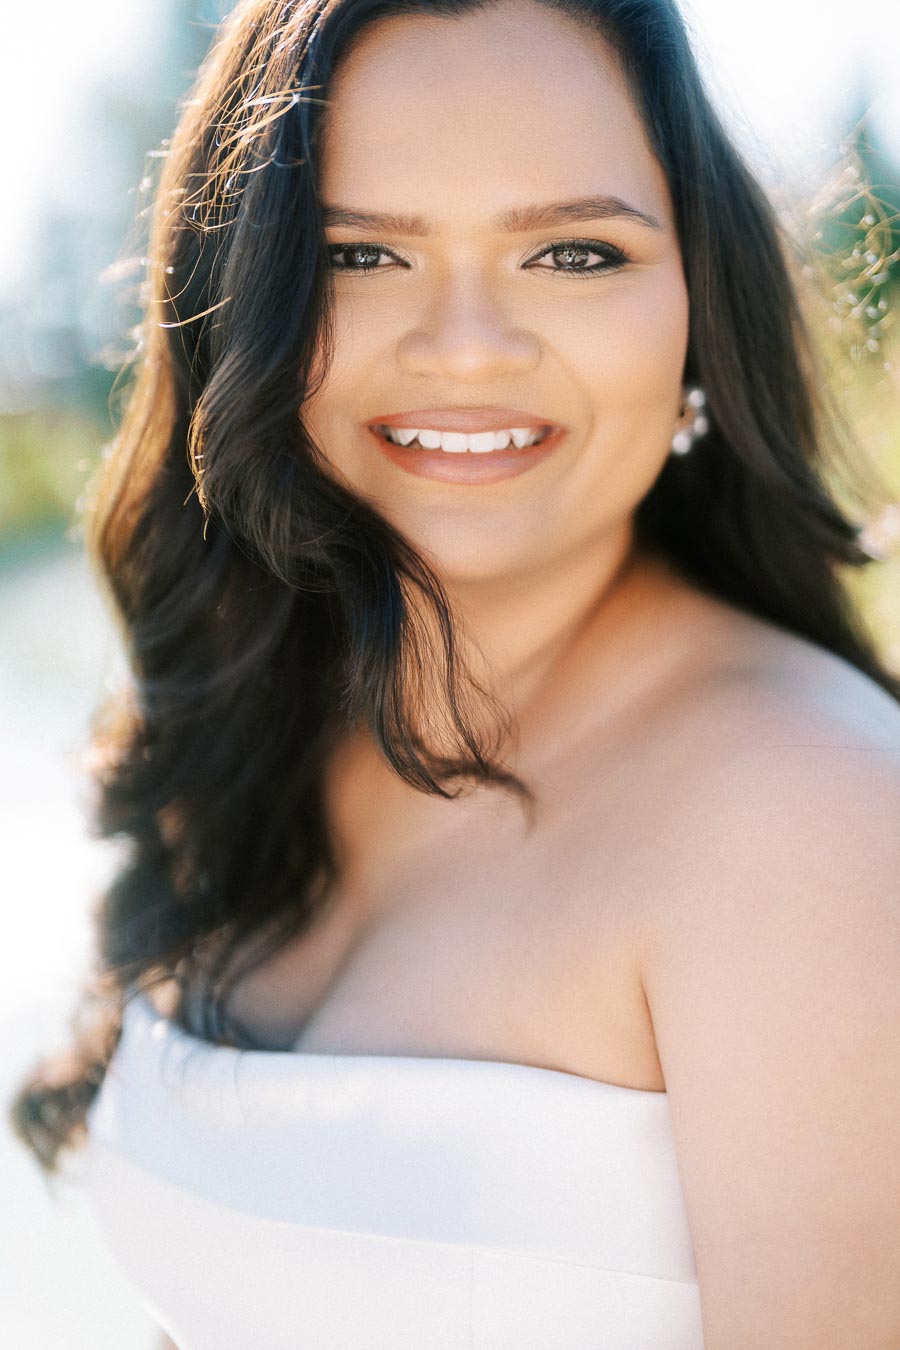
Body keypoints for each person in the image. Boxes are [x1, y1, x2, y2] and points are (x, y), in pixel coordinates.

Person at [9, 0, 900, 1346]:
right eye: (362, 252)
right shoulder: (282, 707)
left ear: (697, 318)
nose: (468, 345)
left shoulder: (813, 822)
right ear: (243, 301)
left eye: (574, 251)